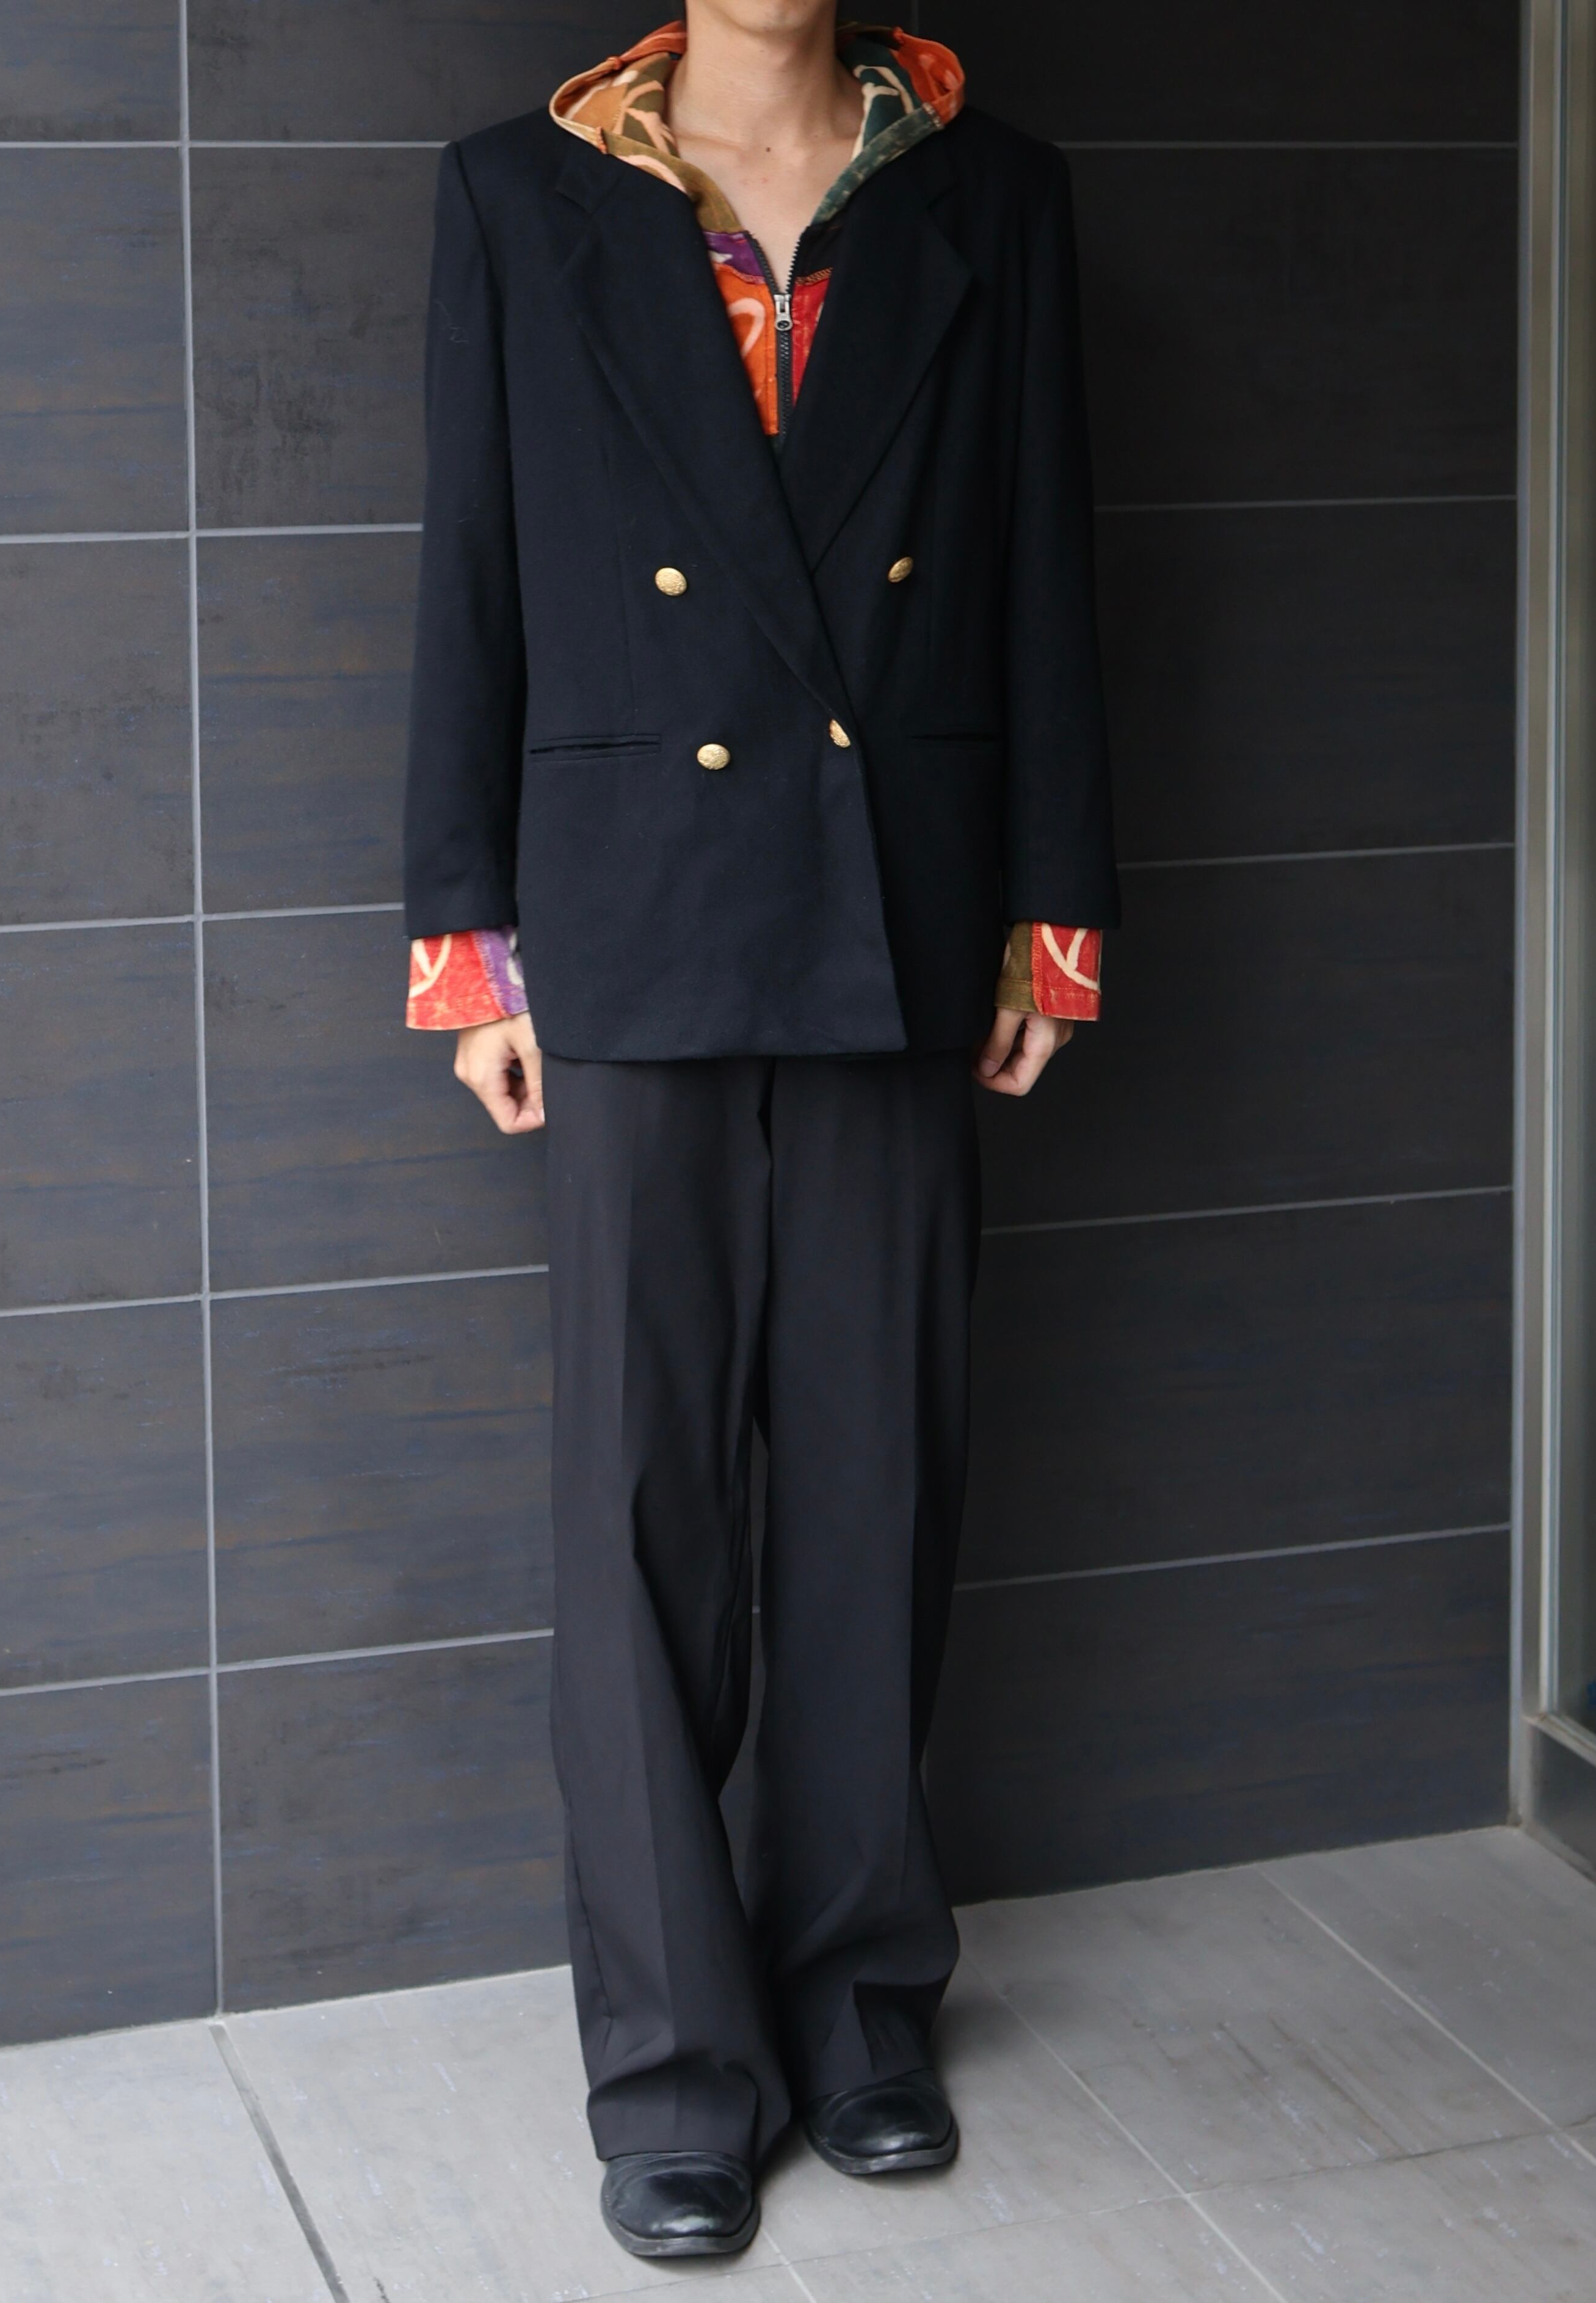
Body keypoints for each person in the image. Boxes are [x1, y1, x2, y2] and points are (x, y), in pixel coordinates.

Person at [403, 1, 1115, 2261]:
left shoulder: (993, 194)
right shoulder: (521, 195)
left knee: (878, 1464)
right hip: (634, 906)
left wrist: (1058, 912)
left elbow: (1047, 564)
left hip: (906, 898)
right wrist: (465, 938)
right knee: (641, 1502)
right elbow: (472, 571)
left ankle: (859, 2002)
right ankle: (674, 2063)